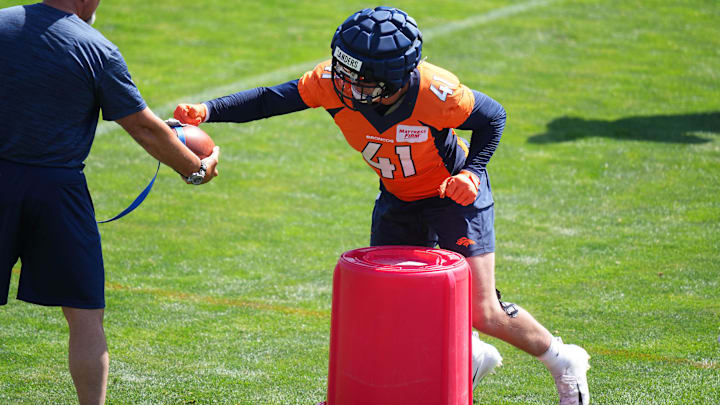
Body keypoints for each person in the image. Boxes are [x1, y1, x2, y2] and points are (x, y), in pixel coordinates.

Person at [174, 6, 589, 404]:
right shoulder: (332, 82)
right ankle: (468, 358)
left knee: (482, 310)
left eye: (361, 83)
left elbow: (492, 116)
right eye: (343, 74)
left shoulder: (436, 92)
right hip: (398, 197)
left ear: (395, 82)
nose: (345, 88)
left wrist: (474, 173)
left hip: (452, 195)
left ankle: (563, 360)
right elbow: (270, 100)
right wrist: (209, 111)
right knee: (392, 299)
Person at [0, 1, 220, 404]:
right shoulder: (95, 48)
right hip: (57, 191)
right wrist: (196, 168)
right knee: (84, 315)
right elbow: (143, 128)